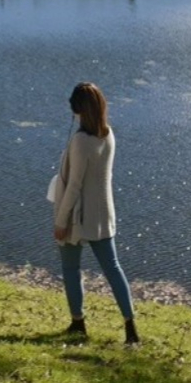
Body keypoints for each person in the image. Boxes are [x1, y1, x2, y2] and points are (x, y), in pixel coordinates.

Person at [51, 82, 139, 345]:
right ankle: (130, 327)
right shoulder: (108, 135)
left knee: (70, 267)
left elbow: (75, 184)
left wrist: (60, 220)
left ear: (78, 109)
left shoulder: (80, 140)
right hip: (104, 213)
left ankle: (78, 323)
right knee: (113, 268)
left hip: (79, 216)